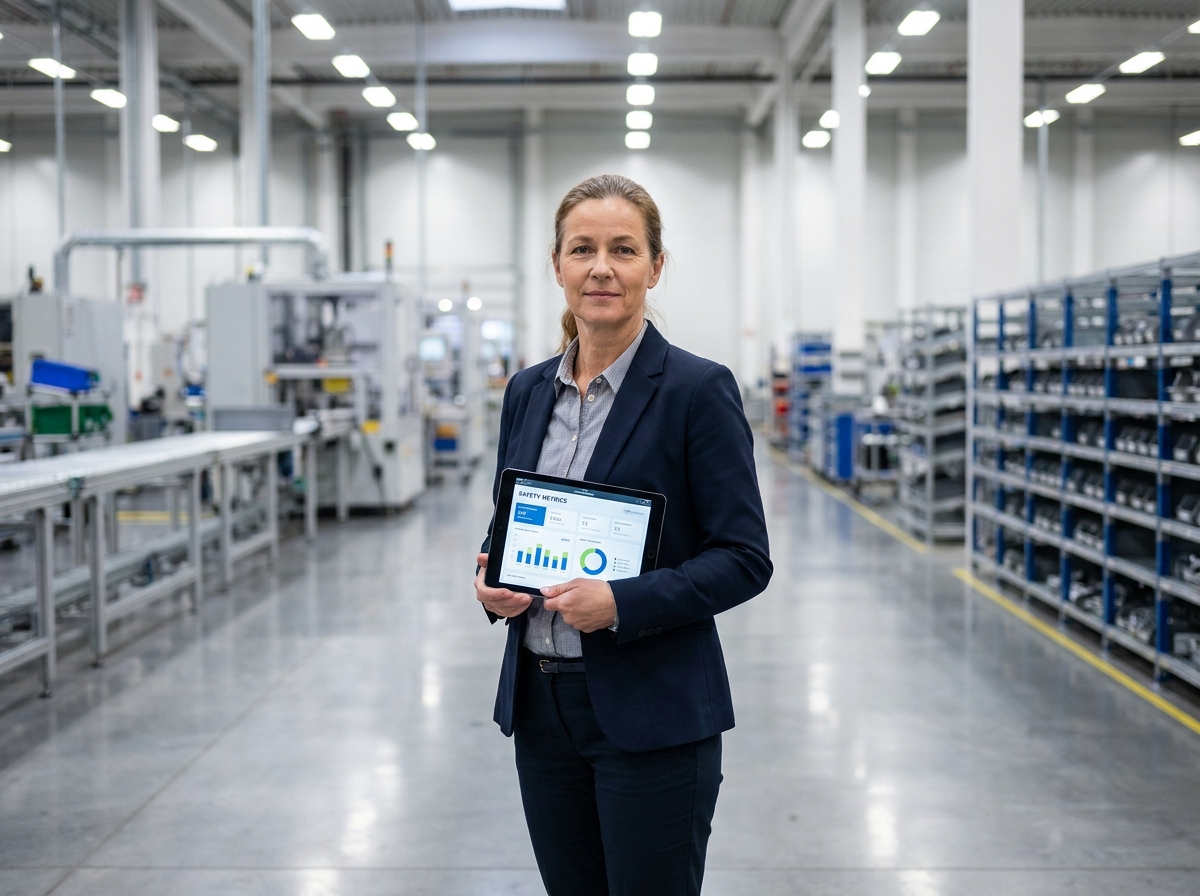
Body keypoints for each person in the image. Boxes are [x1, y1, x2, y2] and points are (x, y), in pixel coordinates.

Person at [473, 174, 772, 896]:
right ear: (557, 266)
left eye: (623, 249)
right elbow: (510, 520)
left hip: (652, 711)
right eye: (582, 249)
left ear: (655, 267)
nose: (601, 268)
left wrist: (620, 603)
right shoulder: (527, 391)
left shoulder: (696, 391)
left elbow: (744, 558)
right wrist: (494, 582)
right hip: (542, 709)